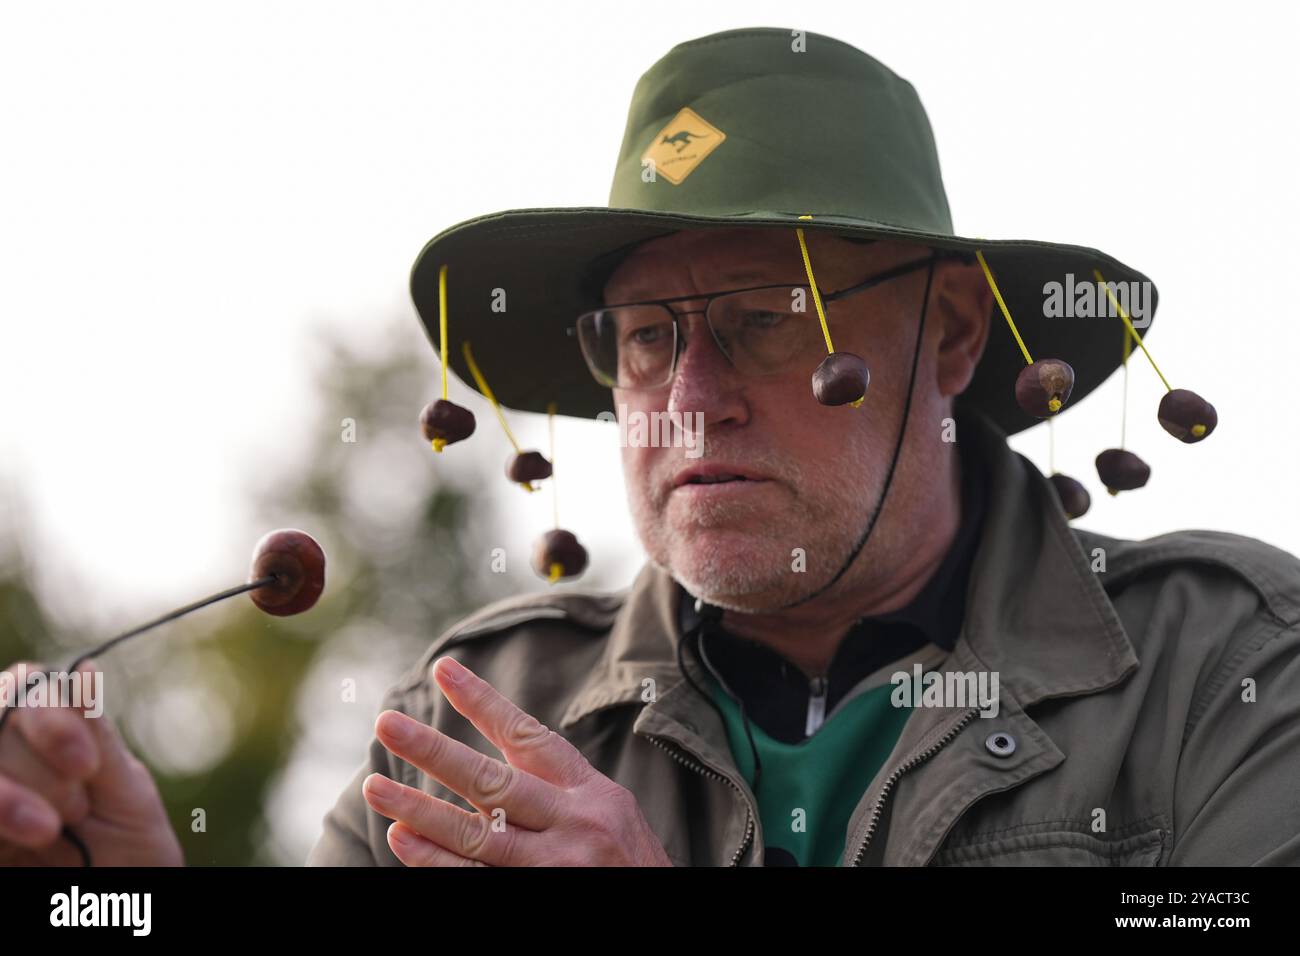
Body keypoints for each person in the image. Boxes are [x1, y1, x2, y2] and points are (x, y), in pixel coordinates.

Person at [3, 27, 1297, 868]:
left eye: (763, 323)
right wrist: (116, 896)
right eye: (640, 338)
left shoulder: (1225, 667)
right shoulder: (480, 717)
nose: (688, 396)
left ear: (950, 339)